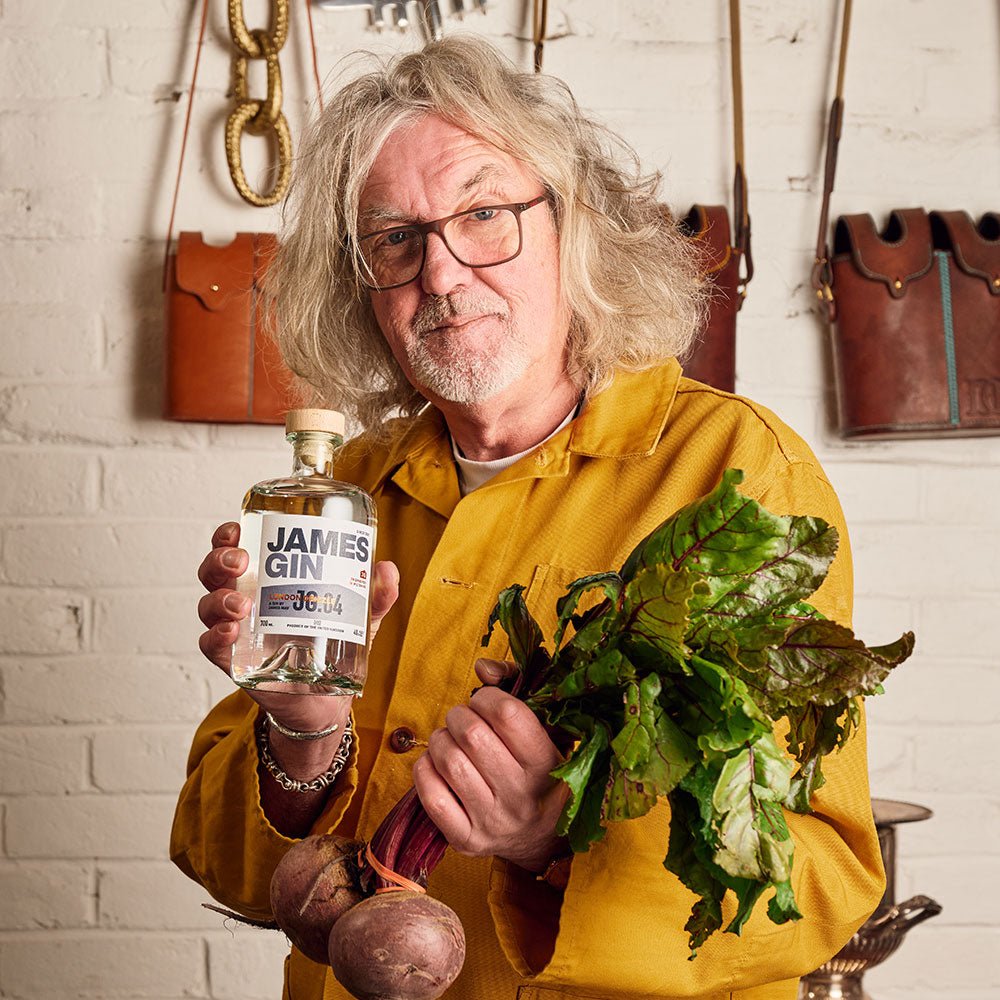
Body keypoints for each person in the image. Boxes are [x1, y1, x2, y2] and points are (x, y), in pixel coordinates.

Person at [171, 36, 885, 1000]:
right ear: (362, 285)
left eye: (484, 214)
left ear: (574, 226)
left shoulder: (737, 476)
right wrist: (303, 734)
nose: (444, 272)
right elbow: (230, 869)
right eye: (395, 239)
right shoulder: (349, 493)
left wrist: (554, 844)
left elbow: (824, 885)